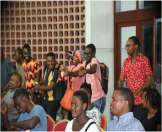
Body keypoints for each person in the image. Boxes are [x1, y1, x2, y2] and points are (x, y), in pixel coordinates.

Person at [118, 36, 153, 122]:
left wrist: (138, 90)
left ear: (136, 46)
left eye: (129, 45)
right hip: (129, 102)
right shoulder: (126, 61)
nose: (127, 48)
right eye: (126, 46)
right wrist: (120, 91)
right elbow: (121, 79)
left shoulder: (144, 60)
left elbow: (150, 81)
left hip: (141, 102)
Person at [78, 44, 106, 113]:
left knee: (96, 122)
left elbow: (93, 69)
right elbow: (78, 72)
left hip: (98, 99)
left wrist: (85, 71)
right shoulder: (85, 63)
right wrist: (69, 73)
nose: (85, 56)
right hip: (91, 100)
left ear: (93, 54)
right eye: (85, 54)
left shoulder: (94, 60)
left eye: (88, 54)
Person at [34, 52, 61, 121]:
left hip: (54, 99)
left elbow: (50, 87)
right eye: (48, 61)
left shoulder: (55, 72)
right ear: (46, 62)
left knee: (50, 121)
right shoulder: (46, 70)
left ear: (55, 61)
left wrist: (39, 87)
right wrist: (38, 83)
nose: (50, 63)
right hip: (47, 99)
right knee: (40, 116)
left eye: (52, 61)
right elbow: (46, 80)